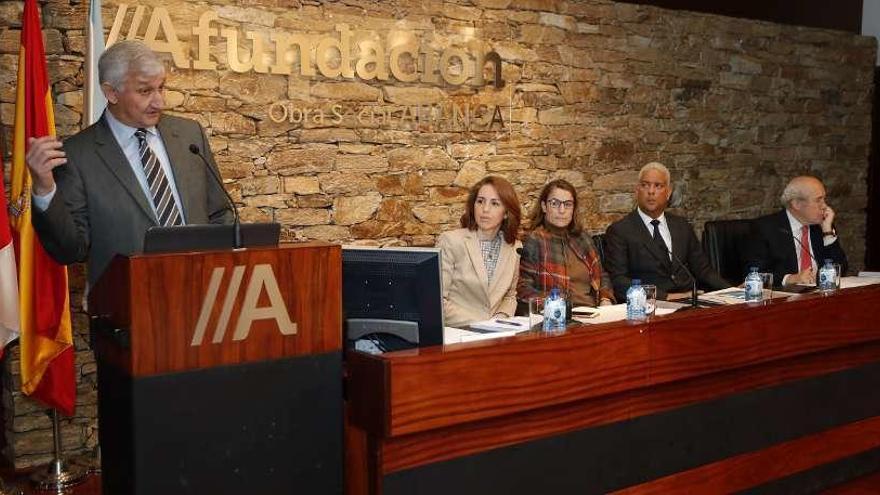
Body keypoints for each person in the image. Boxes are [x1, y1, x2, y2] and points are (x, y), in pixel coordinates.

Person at [26, 40, 232, 287]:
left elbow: (220, 213)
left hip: (203, 294)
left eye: (161, 88)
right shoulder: (77, 154)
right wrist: (44, 189)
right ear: (111, 93)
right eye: (145, 91)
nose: (159, 102)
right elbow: (71, 250)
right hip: (126, 307)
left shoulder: (189, 135)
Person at [605, 162, 729, 301]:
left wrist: (731, 290)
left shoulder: (681, 226)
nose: (651, 191)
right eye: (645, 185)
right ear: (637, 190)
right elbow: (619, 281)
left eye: (658, 186)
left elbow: (703, 269)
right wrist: (666, 297)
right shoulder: (620, 231)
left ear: (668, 193)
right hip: (652, 305)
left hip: (690, 300)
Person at [436, 176, 522, 328]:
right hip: (457, 332)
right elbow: (437, 300)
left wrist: (500, 319)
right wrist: (481, 324)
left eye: (495, 203)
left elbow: (510, 295)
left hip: (497, 333)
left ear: (507, 212)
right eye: (480, 201)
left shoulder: (514, 247)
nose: (485, 209)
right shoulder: (451, 241)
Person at [518, 179, 614, 308]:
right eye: (555, 203)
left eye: (567, 204)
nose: (562, 210)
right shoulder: (534, 240)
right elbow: (523, 289)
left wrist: (605, 299)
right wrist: (555, 303)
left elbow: (602, 275)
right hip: (558, 317)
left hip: (594, 312)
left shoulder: (583, 238)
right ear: (544, 207)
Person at [745, 176, 847, 286]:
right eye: (818, 200)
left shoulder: (821, 226)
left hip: (820, 294)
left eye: (824, 199)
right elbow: (755, 273)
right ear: (797, 204)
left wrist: (827, 231)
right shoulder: (765, 228)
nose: (824, 206)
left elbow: (840, 269)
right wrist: (790, 279)